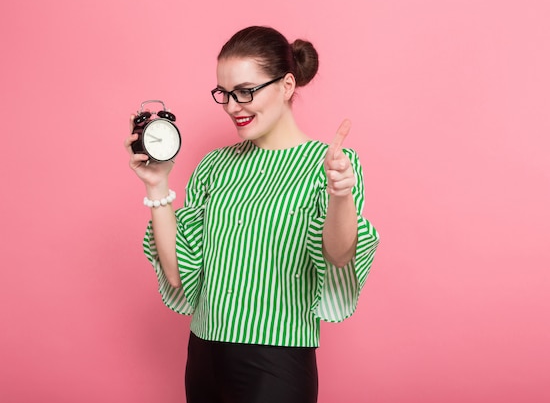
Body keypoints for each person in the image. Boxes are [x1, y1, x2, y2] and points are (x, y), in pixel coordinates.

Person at [124, 26, 379, 403]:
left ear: (287, 85)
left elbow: (340, 256)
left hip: (277, 361)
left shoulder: (329, 164)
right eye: (224, 94)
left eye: (245, 91)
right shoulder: (214, 165)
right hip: (204, 355)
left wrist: (341, 195)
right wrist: (156, 185)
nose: (232, 106)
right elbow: (178, 274)